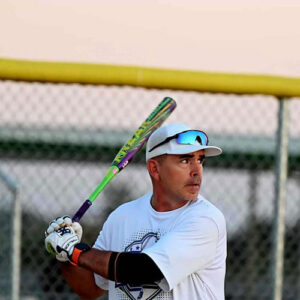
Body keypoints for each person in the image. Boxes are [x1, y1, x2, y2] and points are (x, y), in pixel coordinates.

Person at [45, 123, 227, 300]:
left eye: (200, 160)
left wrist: (76, 251)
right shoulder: (122, 216)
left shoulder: (205, 219)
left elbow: (144, 270)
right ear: (155, 169)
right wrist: (64, 254)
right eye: (185, 161)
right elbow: (90, 289)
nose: (197, 171)